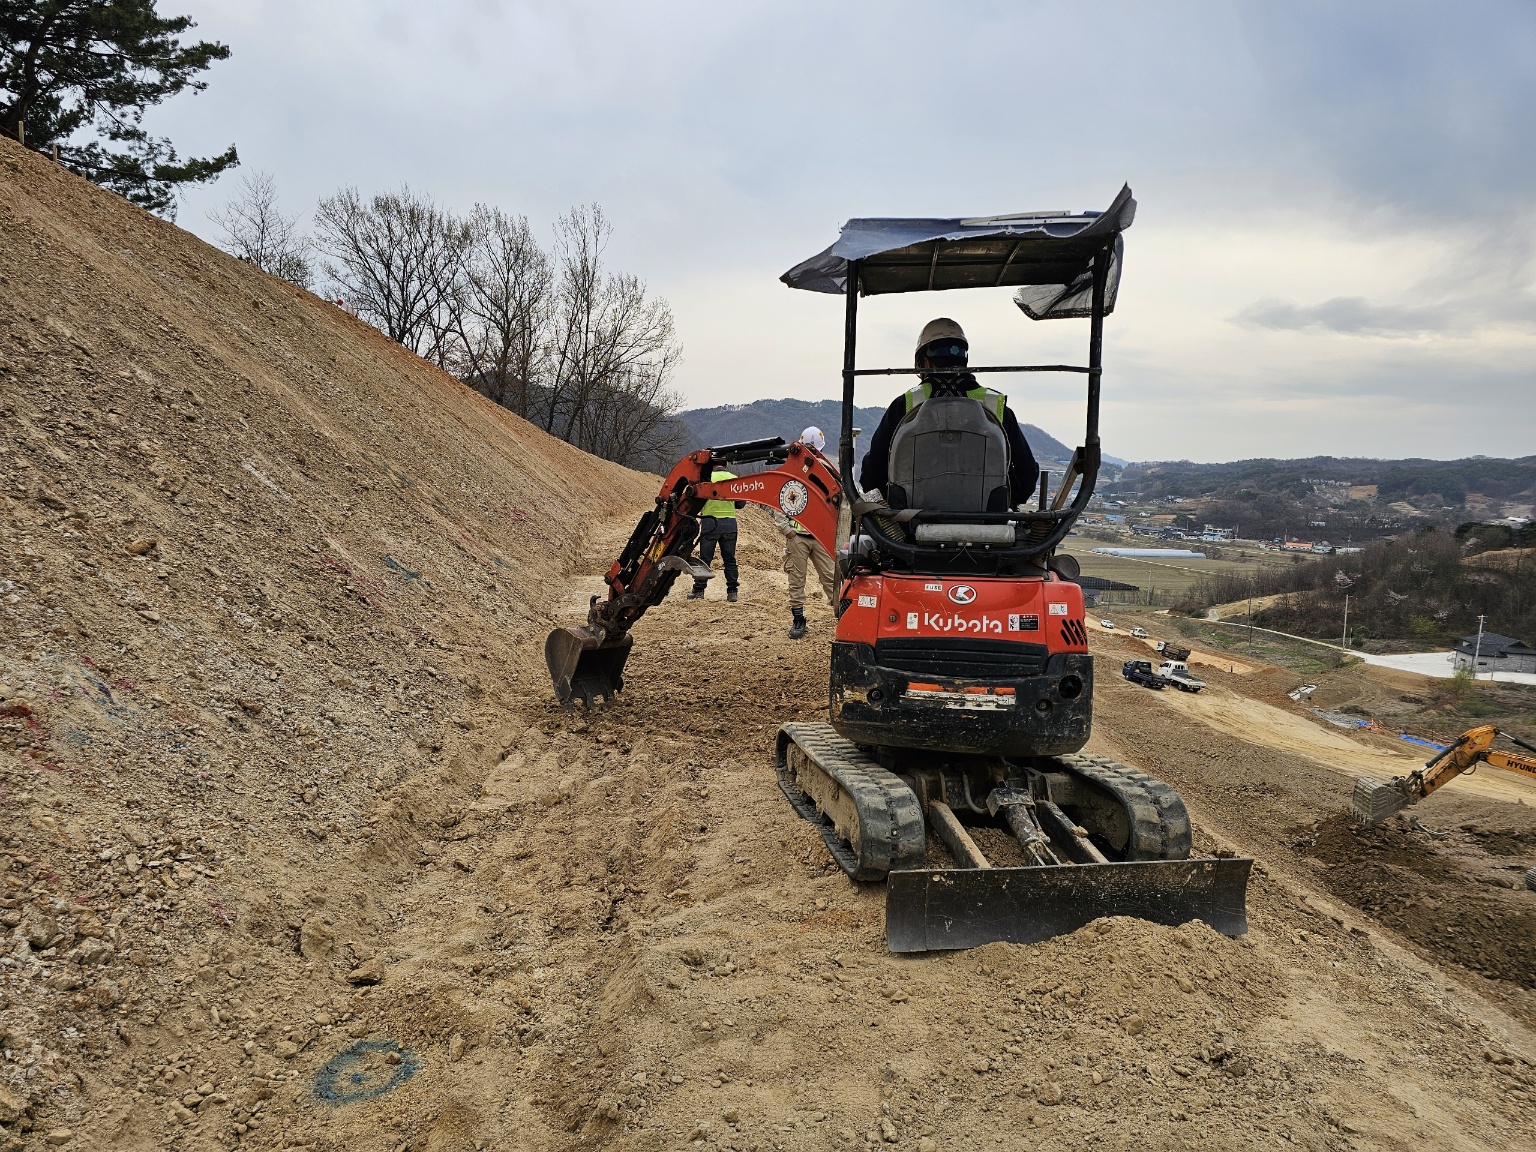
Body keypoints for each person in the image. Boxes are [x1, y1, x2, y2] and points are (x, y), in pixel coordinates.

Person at [860, 318, 1039, 506]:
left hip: (910, 520)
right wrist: (1002, 504)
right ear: (964, 360)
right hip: (986, 521)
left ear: (924, 363)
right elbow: (1027, 477)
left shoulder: (904, 406)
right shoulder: (995, 406)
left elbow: (871, 477)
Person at [772, 427, 839, 639]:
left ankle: (843, 617)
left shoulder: (826, 472)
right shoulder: (793, 472)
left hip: (819, 537)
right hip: (799, 537)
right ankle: (798, 620)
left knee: (831, 578)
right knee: (797, 580)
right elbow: (781, 500)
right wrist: (787, 530)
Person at [688, 467, 745, 602]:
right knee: (730, 560)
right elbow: (740, 504)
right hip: (729, 524)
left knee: (705, 559)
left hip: (710, 524)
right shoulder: (734, 478)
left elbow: (696, 501)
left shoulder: (706, 479)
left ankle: (699, 590)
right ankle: (732, 592)